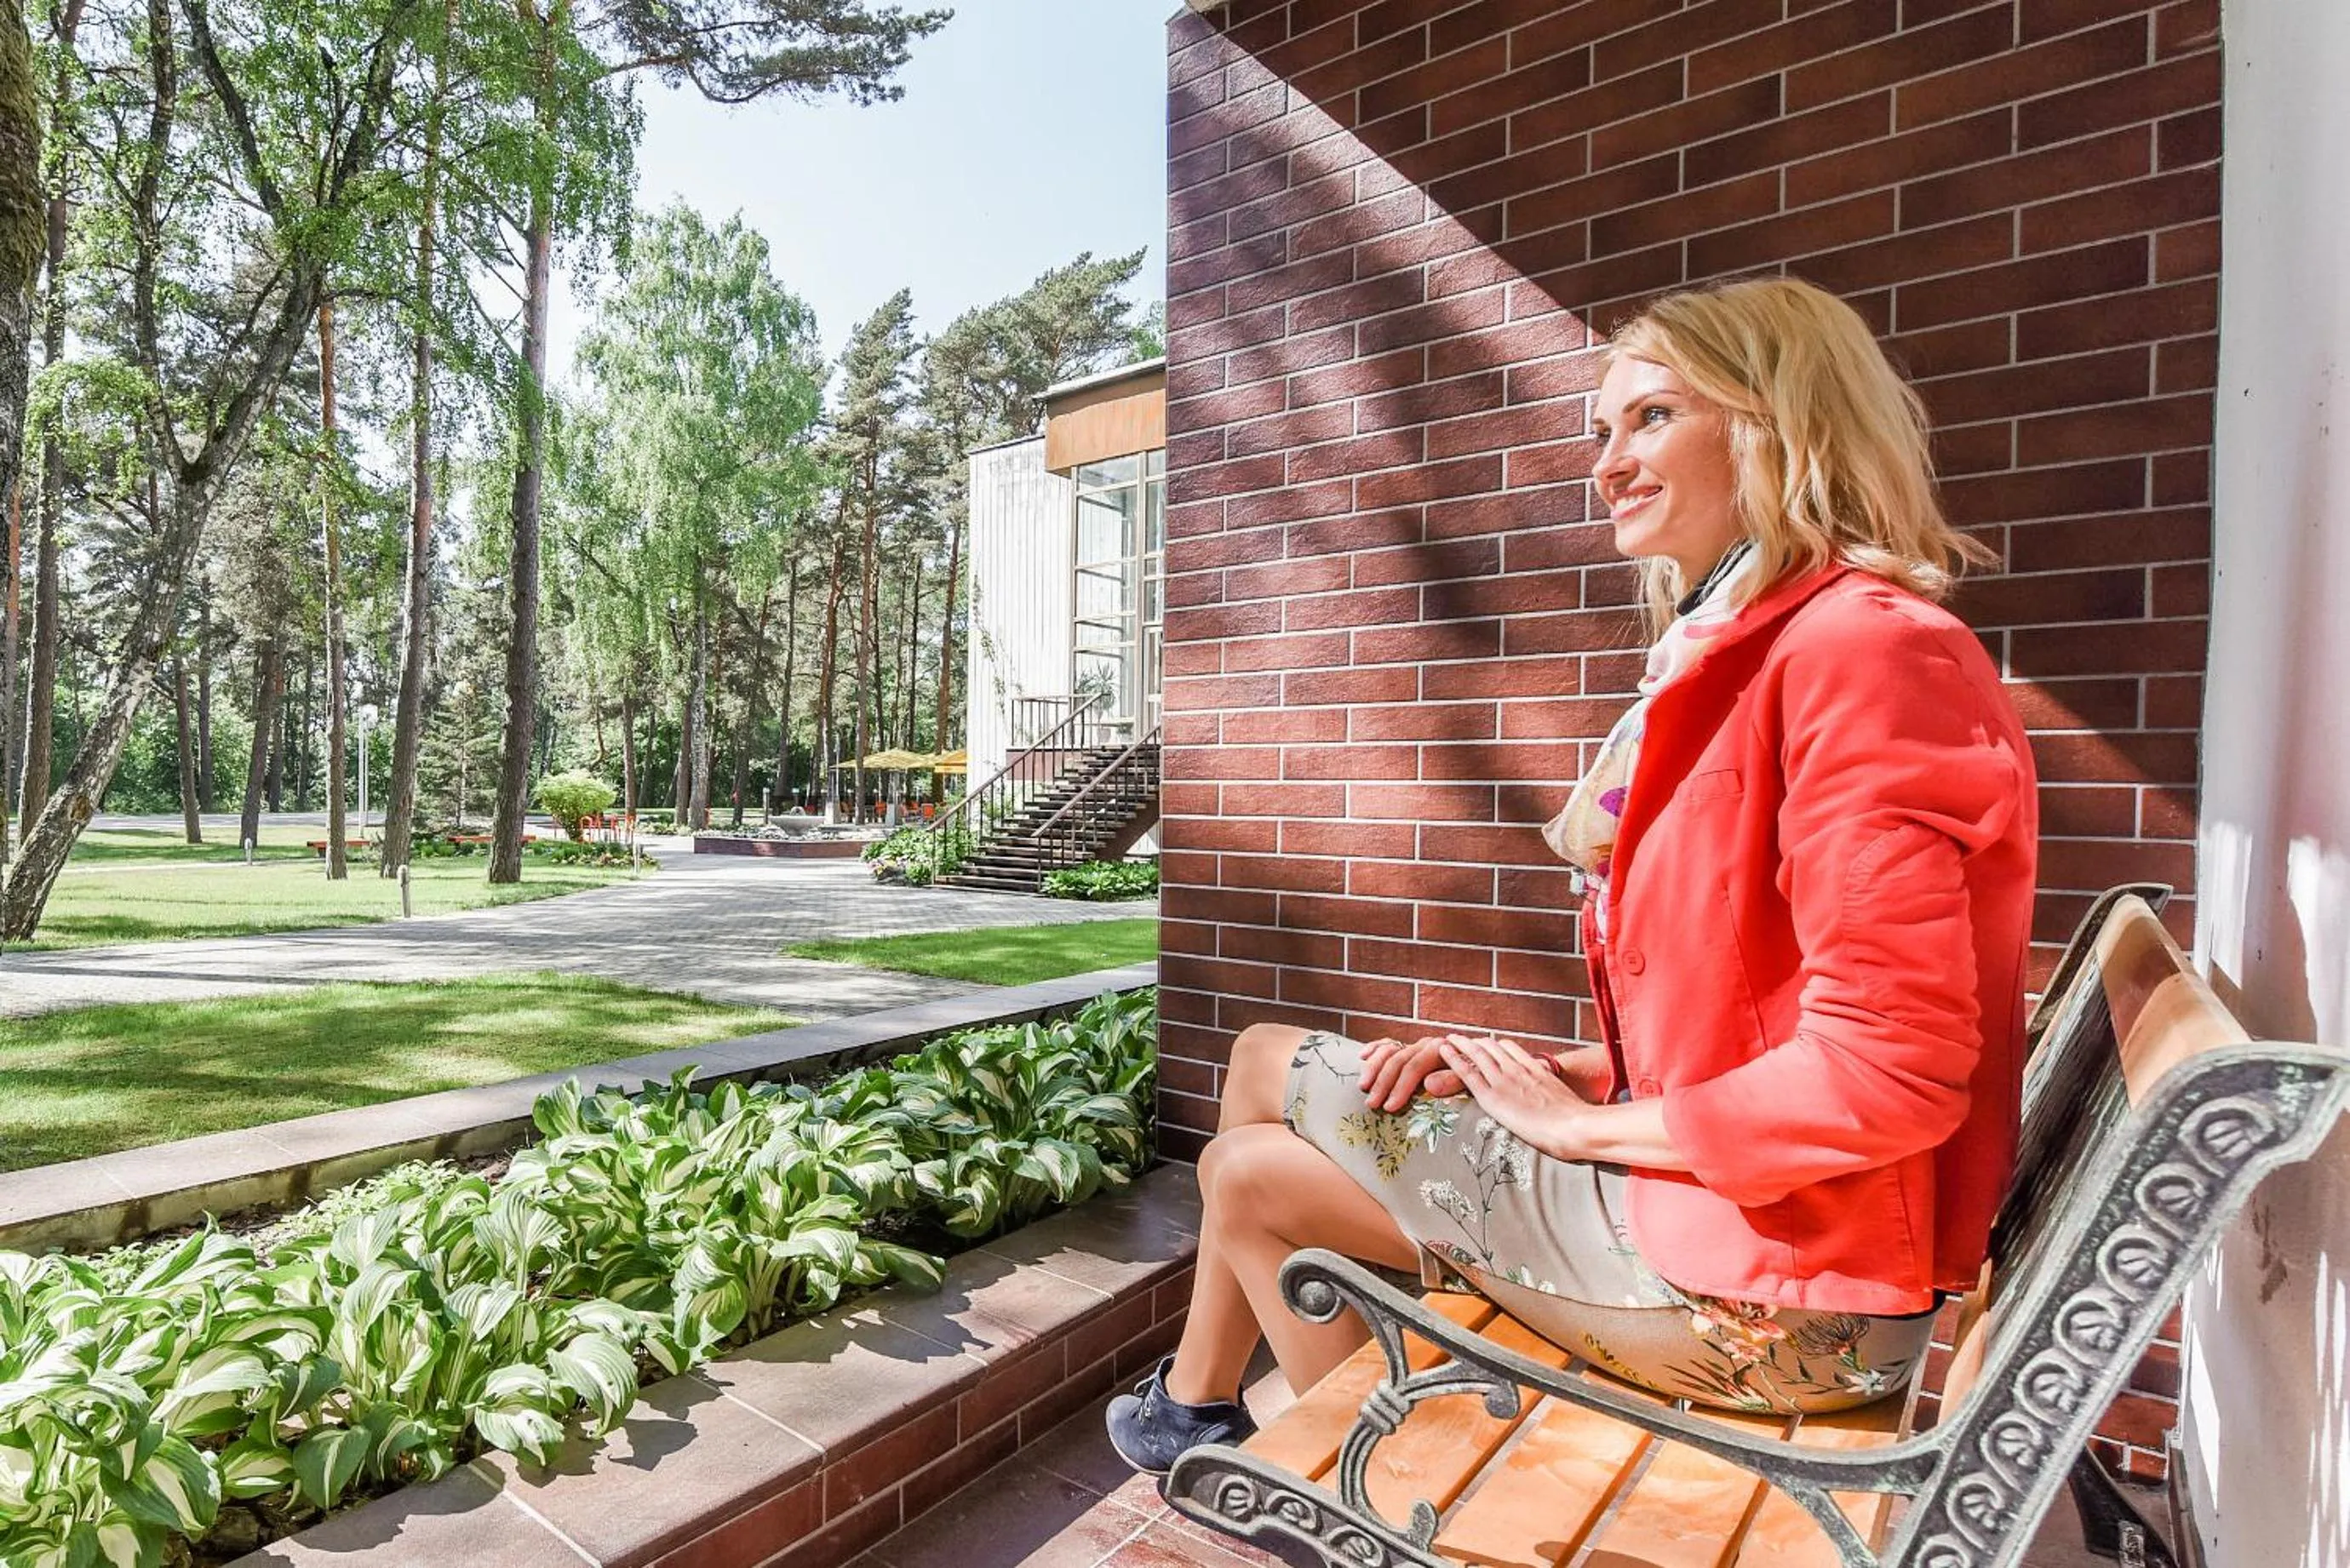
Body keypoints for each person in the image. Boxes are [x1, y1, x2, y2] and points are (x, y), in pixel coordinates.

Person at [1108, 276, 2039, 1473]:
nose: (1607, 464)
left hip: (1790, 1303)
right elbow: (1761, 1024)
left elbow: (1890, 1076)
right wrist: (1553, 1069)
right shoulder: (1750, 647)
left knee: (1244, 1176)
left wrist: (1585, 1131)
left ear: (1779, 418)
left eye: (1651, 417)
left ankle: (1363, 1493)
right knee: (1255, 1062)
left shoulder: (1865, 654)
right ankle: (1207, 1410)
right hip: (1750, 1220)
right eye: (1602, 432)